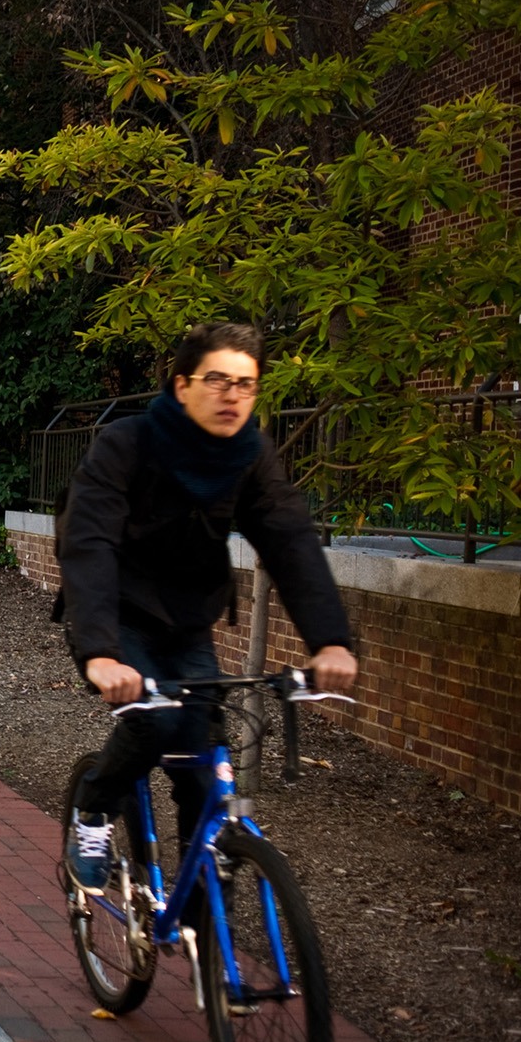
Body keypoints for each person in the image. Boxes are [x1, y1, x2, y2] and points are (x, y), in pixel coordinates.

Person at [59, 321, 358, 891]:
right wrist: (100, 653)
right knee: (154, 723)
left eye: (246, 384)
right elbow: (90, 543)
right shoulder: (127, 445)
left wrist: (331, 641)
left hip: (188, 621)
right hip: (117, 616)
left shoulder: (249, 456)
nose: (233, 395)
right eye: (218, 380)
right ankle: (93, 812)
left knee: (202, 758)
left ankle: (203, 942)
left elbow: (290, 541)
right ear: (181, 386)